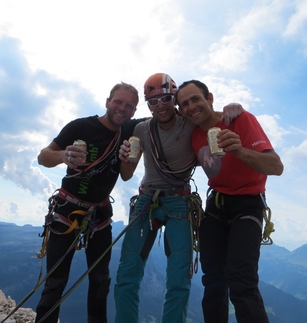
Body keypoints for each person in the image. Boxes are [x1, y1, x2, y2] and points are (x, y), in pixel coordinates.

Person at [114, 73, 242, 323]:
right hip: (148, 199)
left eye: (165, 99)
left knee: (179, 277)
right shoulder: (141, 129)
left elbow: (209, 115)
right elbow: (128, 174)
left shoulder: (191, 124)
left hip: (178, 200)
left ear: (174, 99)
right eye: (153, 102)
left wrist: (233, 108)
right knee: (127, 271)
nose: (160, 106)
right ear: (148, 105)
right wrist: (124, 158)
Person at [175, 80, 284, 323]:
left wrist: (240, 150)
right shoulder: (193, 133)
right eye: (184, 104)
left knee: (241, 279)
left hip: (248, 203)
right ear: (181, 111)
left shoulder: (239, 120)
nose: (191, 107)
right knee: (213, 280)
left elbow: (276, 166)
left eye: (195, 99)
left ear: (209, 98)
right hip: (216, 205)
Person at [35, 82, 143, 323]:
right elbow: (43, 157)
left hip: (99, 212)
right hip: (68, 210)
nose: (123, 108)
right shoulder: (80, 126)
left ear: (134, 112)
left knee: (100, 280)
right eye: (118, 102)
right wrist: (63, 155)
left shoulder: (131, 130)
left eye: (129, 106)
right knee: (55, 281)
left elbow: (126, 175)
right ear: (107, 102)